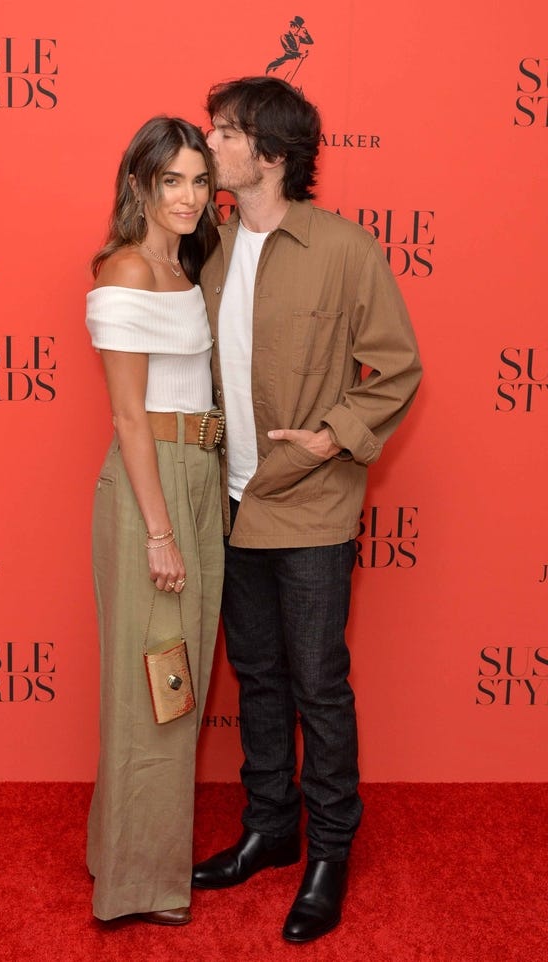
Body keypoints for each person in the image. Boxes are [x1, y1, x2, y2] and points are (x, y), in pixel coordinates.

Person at [192, 77, 422, 943]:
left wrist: (332, 437)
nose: (211, 144)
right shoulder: (208, 248)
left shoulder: (344, 249)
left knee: (318, 684)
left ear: (272, 153)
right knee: (257, 675)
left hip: (312, 502)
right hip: (231, 502)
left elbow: (396, 367)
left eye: (226, 132)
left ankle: (329, 850)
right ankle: (270, 828)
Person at [85, 116, 224, 927]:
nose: (189, 196)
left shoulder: (186, 265)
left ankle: (123, 853)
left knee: (179, 681)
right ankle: (136, 885)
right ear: (139, 184)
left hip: (199, 474)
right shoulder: (129, 268)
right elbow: (130, 416)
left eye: (200, 181)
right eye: (172, 180)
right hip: (154, 487)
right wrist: (160, 531)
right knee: (156, 684)